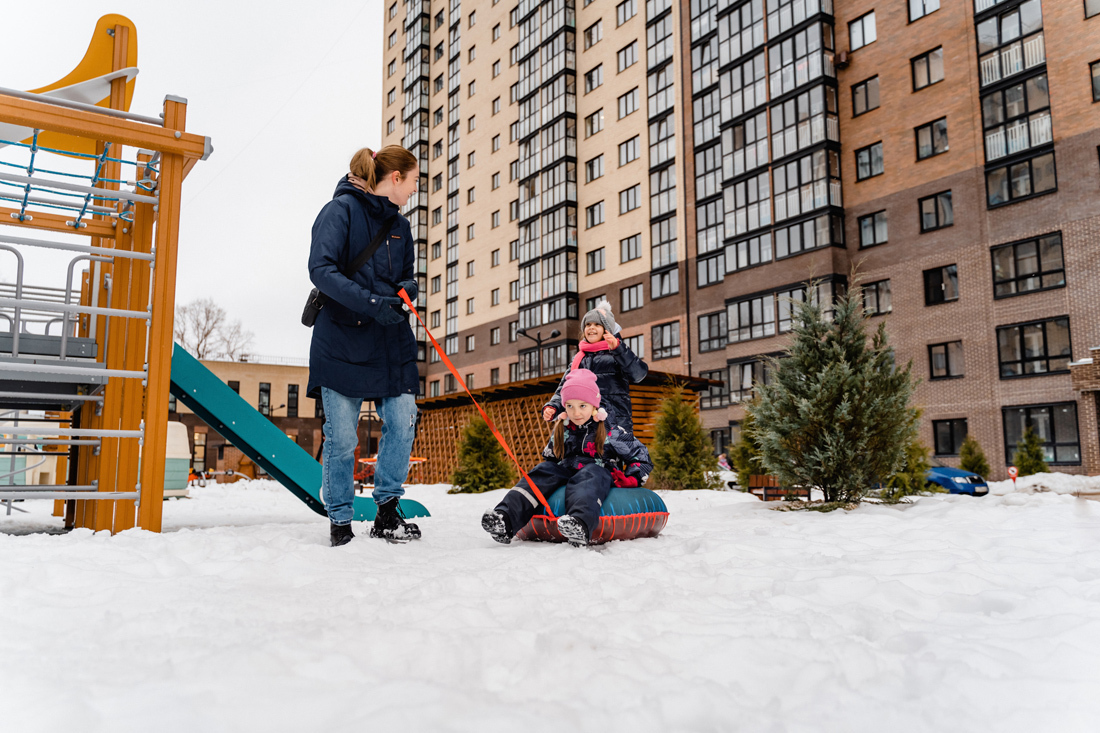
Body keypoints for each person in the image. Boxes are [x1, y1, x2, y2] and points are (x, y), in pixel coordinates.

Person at [307, 145, 422, 547]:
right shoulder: (339, 212)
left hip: (390, 339)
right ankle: (340, 519)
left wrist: (404, 293)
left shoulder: (401, 227)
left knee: (405, 420)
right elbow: (321, 270)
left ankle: (387, 508)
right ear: (395, 179)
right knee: (342, 438)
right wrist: (373, 303)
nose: (413, 190)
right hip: (341, 339)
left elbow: (408, 277)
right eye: (413, 181)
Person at [482, 369, 652, 547]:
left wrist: (631, 478)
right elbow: (550, 457)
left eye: (582, 406)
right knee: (543, 469)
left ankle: (579, 523)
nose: (576, 413)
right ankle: (504, 519)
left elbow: (642, 456)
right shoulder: (563, 428)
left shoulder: (612, 431)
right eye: (569, 406)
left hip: (598, 473)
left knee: (591, 473)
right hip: (568, 470)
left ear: (594, 405)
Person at [542, 299, 647, 433]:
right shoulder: (579, 358)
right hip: (585, 426)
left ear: (606, 329)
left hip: (615, 425)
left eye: (597, 324)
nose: (591, 327)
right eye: (588, 324)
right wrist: (553, 407)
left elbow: (639, 374)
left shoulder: (617, 354)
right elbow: (564, 388)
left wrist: (618, 349)